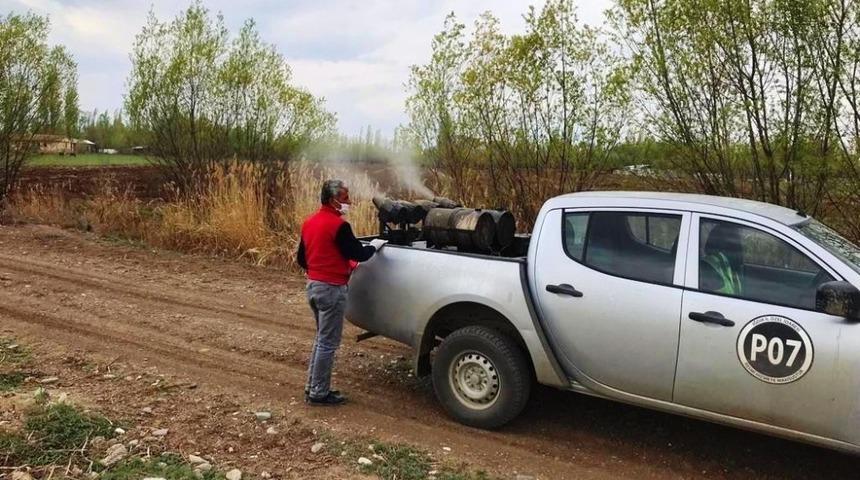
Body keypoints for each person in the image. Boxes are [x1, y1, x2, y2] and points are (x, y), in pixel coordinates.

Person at [297, 179, 386, 406]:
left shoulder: (309, 223)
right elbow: (358, 253)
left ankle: (313, 387)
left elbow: (301, 258)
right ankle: (319, 393)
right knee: (328, 343)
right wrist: (375, 246)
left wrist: (322, 267)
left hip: (314, 287)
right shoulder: (339, 226)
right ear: (332, 200)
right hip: (332, 290)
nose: (349, 202)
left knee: (321, 340)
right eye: (345, 199)